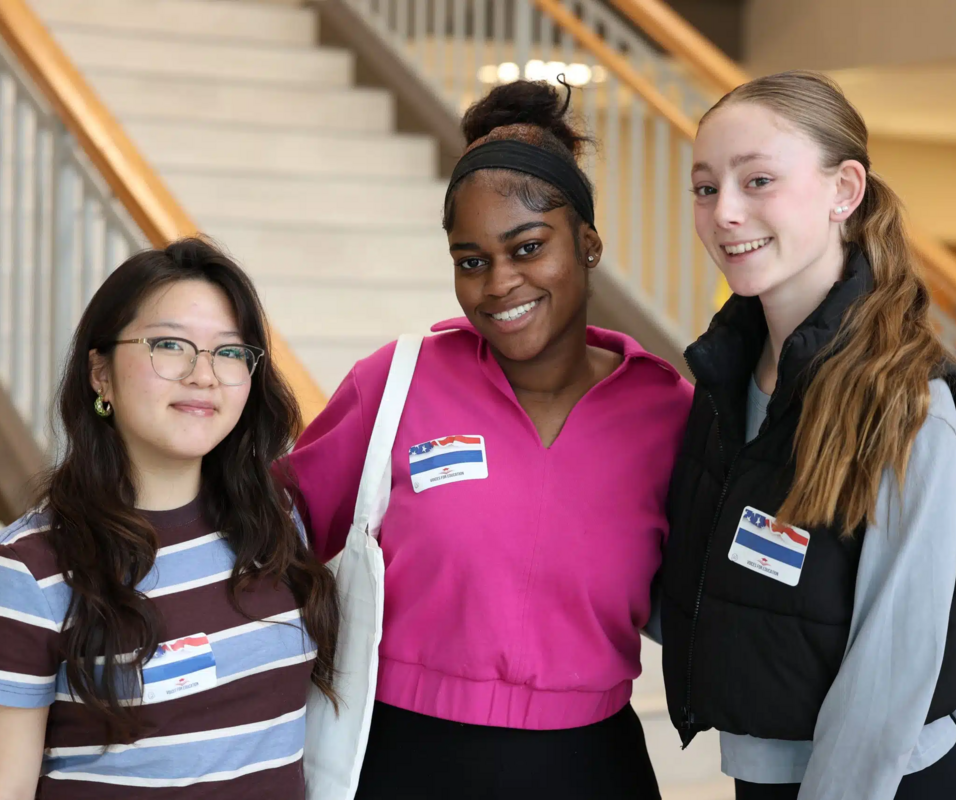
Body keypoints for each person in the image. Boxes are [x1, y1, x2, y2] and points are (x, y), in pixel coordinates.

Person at [282, 79, 693, 799]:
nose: (500, 284)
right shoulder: (397, 383)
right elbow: (268, 532)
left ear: (588, 244)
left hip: (590, 767)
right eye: (471, 261)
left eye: (528, 248)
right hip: (403, 760)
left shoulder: (667, 410)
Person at [660, 71, 956, 800]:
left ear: (845, 191)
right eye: (704, 187)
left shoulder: (909, 403)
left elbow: (888, 676)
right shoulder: (725, 379)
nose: (724, 212)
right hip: (767, 777)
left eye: (758, 180)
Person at [0, 238, 338, 798]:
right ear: (100, 372)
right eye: (170, 345)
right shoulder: (22, 574)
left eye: (229, 352)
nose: (204, 375)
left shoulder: (275, 524)